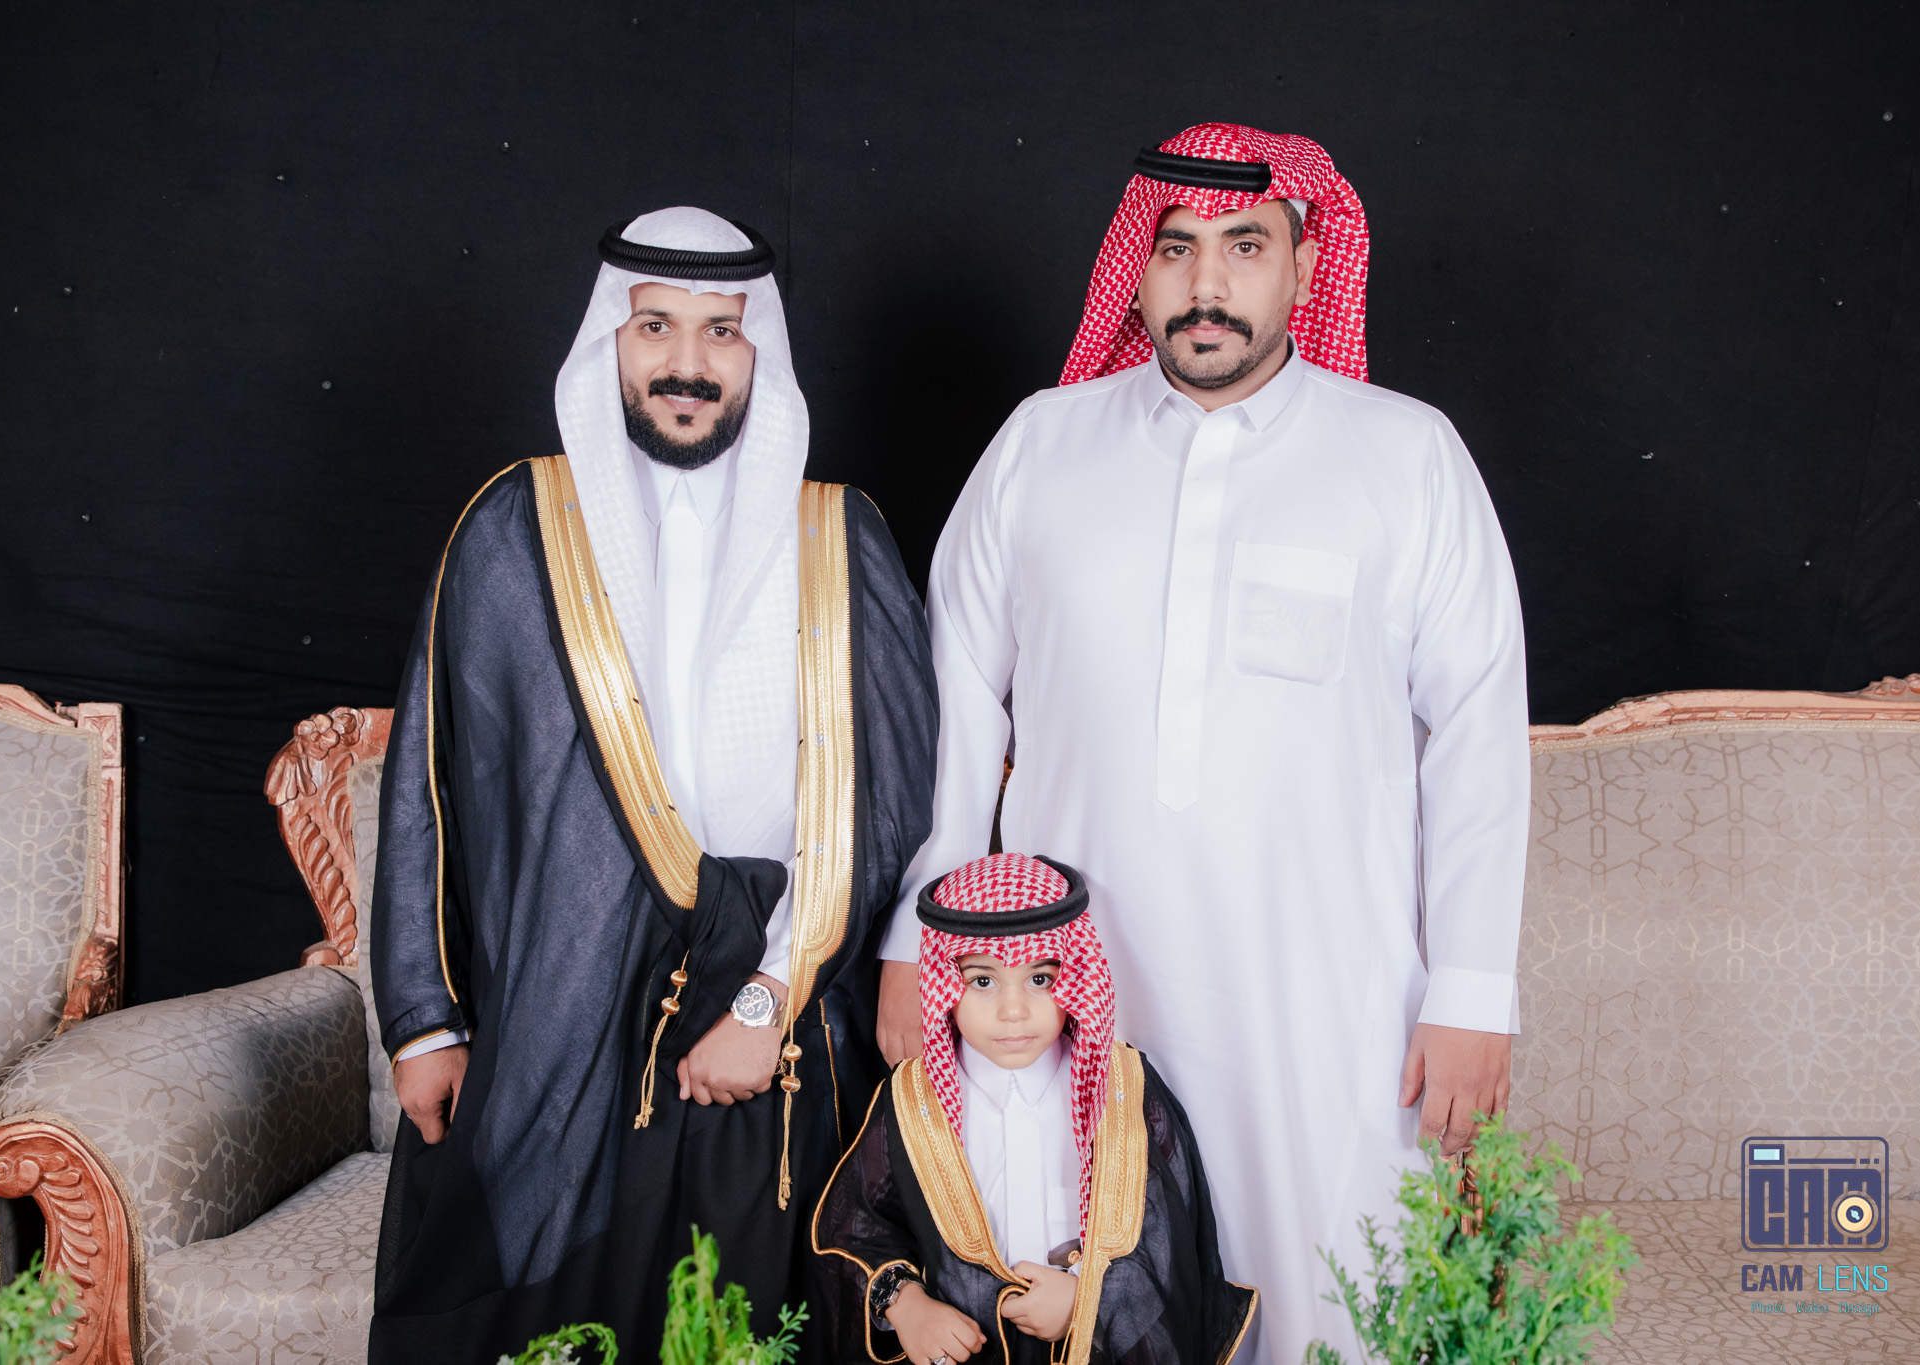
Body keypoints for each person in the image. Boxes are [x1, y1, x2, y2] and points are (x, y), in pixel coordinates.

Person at [875, 125, 1530, 1360]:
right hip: (1067, 993)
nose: (1206, 284)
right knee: (1092, 1290)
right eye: (1175, 249)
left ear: (1305, 265)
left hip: (1329, 997)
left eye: (1244, 246)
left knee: (1334, 1292)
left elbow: (1479, 738)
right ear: (1135, 270)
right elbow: (951, 709)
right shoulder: (1040, 446)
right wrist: (921, 933)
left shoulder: (1405, 456)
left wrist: (1471, 989)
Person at [367, 207, 938, 1363]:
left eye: (720, 330)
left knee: (751, 1319)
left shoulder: (839, 537)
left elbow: (884, 813)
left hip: (781, 1008)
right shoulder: (512, 529)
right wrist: (423, 1021)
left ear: (757, 351)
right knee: (547, 1318)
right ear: (608, 344)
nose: (687, 361)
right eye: (655, 328)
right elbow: (427, 783)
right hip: (564, 1001)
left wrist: (766, 1001)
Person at [817, 852, 1254, 1365]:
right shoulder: (913, 1101)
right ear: (944, 984)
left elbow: (1169, 1242)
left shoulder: (1122, 1088)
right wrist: (908, 1306)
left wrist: (1086, 1303)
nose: (1013, 1010)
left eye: (1040, 979)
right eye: (983, 981)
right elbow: (854, 1227)